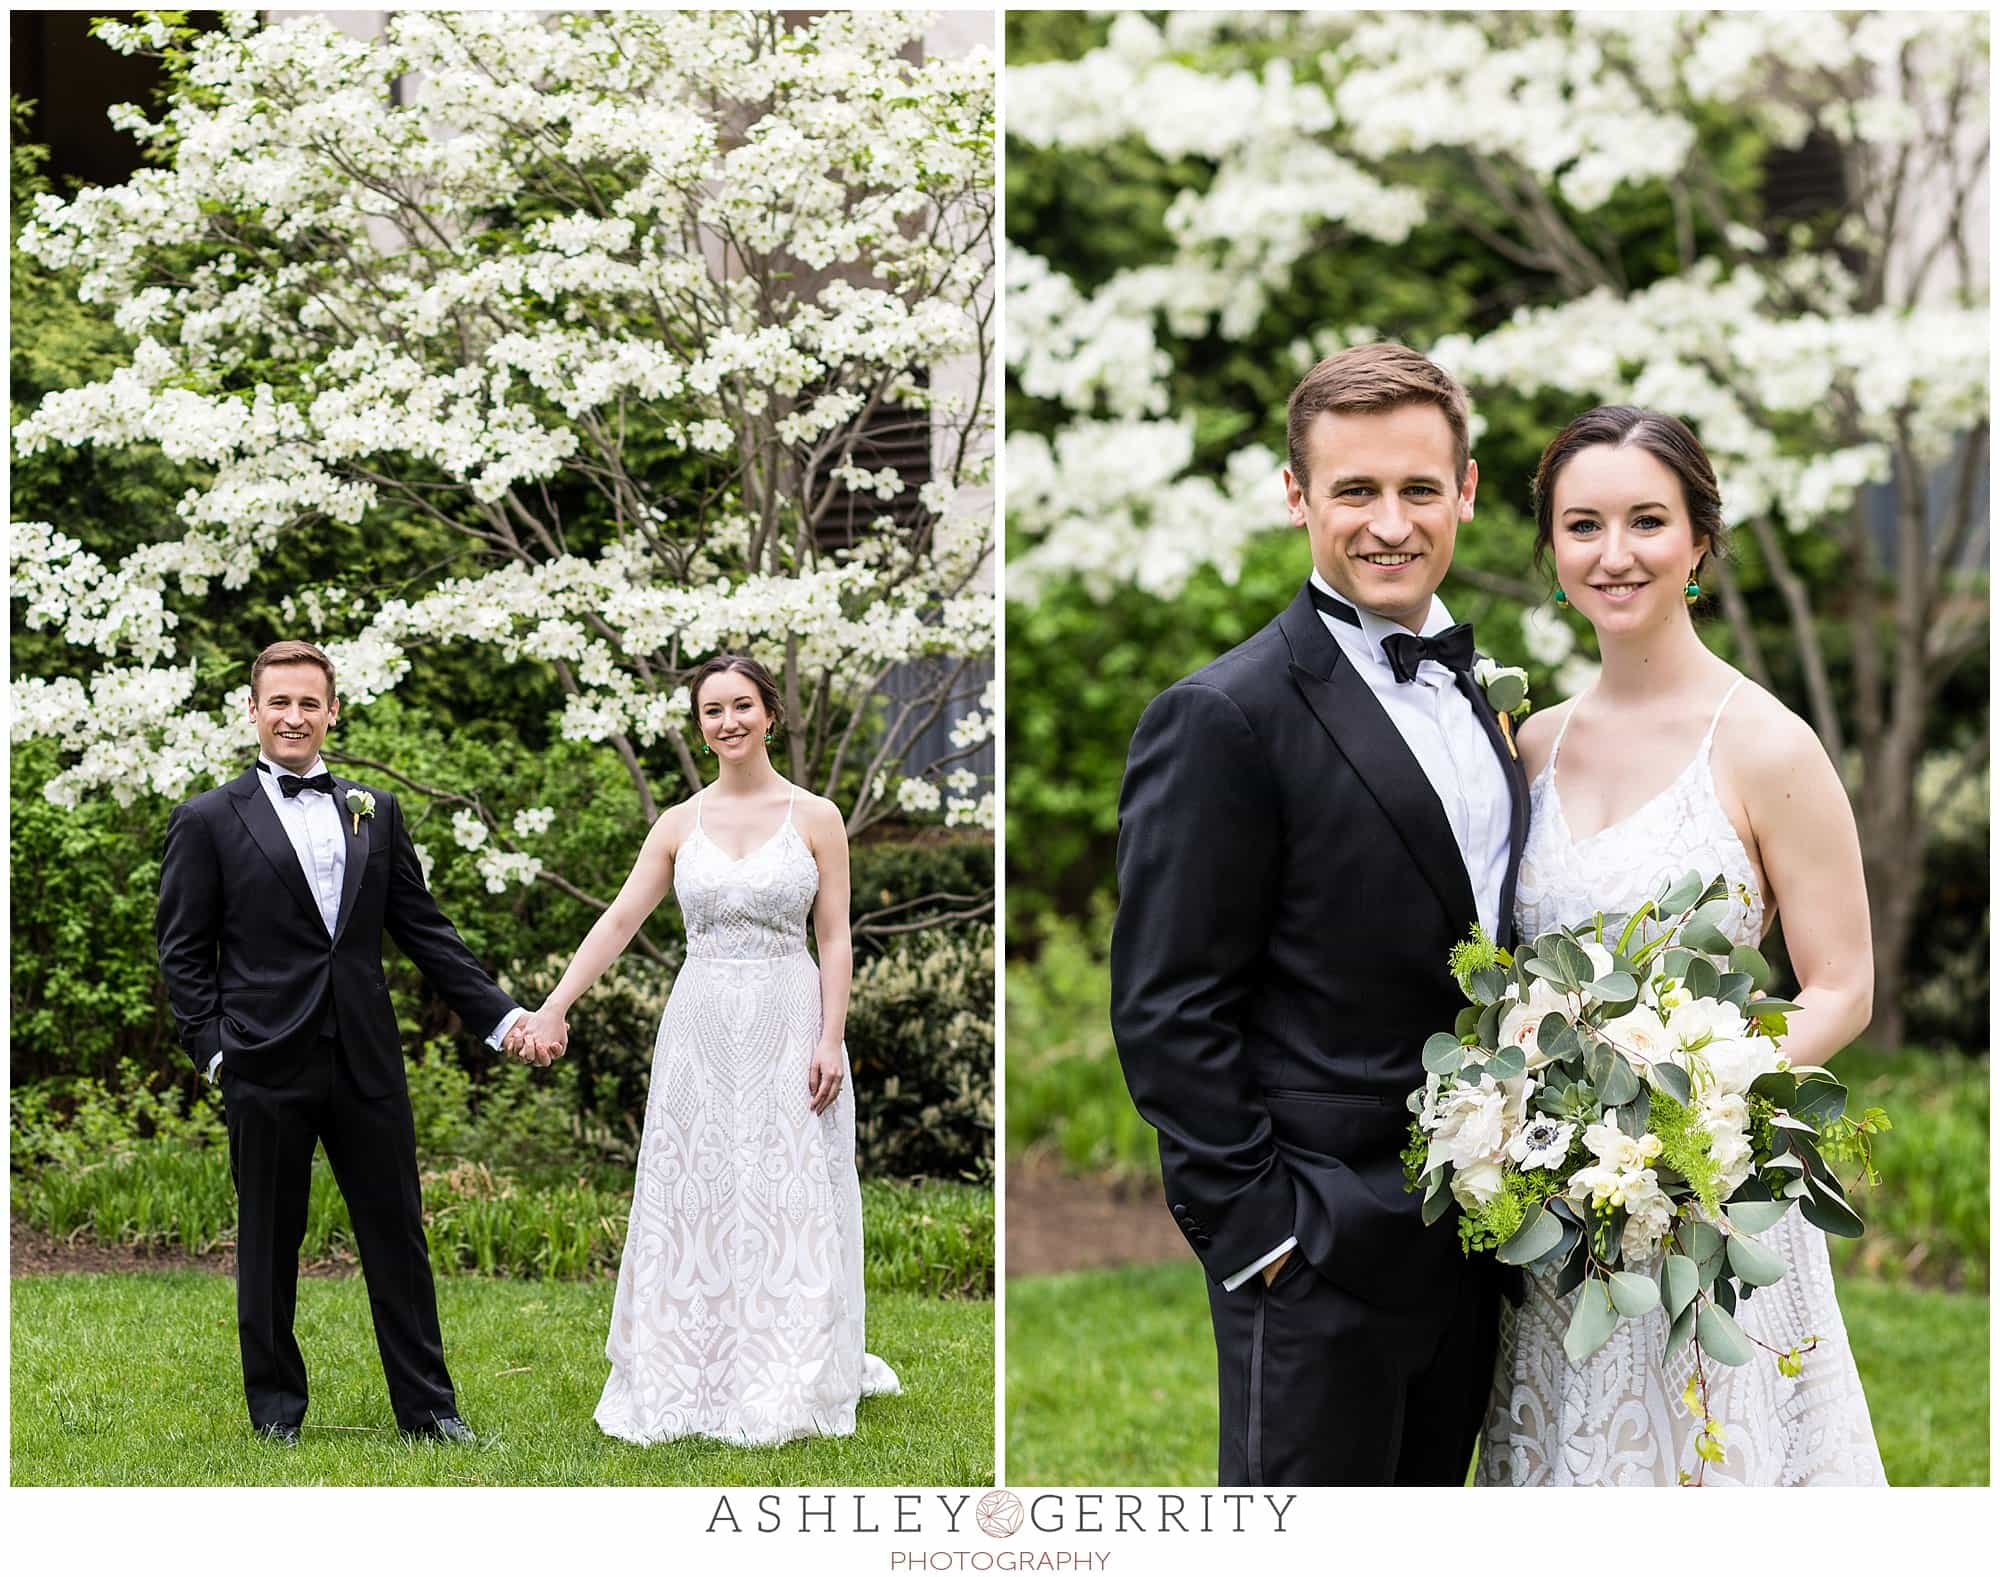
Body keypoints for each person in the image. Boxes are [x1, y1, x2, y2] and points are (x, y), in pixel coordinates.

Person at [1110, 344, 1529, 1485]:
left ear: (1466, 492)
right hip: (1313, 1251)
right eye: (1354, 490)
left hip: (1474, 1242)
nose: (1388, 523)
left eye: (1417, 488)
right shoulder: (1220, 714)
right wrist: (1262, 1239)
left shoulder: (1482, 695)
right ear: (1296, 497)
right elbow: (1166, 1005)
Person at [1477, 406, 1885, 1485]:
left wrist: (1695, 1113)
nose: (1613, 554)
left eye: (1646, 520)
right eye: (1582, 525)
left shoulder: (1763, 741)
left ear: (1699, 539)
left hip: (1705, 1202)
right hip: (1560, 1214)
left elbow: (1840, 984)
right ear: (1551, 548)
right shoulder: (1531, 744)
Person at [155, 639, 555, 1446]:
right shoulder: (207, 819)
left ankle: (431, 1410)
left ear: (333, 710)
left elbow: (425, 931)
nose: (294, 716)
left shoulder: (374, 809)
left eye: (310, 702)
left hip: (366, 1060)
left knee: (397, 1235)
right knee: (269, 1240)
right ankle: (274, 1412)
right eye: (279, 702)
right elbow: (183, 952)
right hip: (263, 1062)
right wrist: (217, 1051)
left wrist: (504, 1016)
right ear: (254, 710)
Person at [514, 653, 900, 1445]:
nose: (727, 721)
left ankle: (789, 1360)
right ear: (700, 724)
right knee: (698, 1189)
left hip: (789, 1019)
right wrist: (554, 1005)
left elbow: (834, 936)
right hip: (697, 1027)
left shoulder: (816, 817)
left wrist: (831, 1035)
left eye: (741, 706)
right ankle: (693, 1358)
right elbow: (620, 920)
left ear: (769, 714)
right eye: (712, 710)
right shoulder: (678, 823)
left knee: (786, 1189)